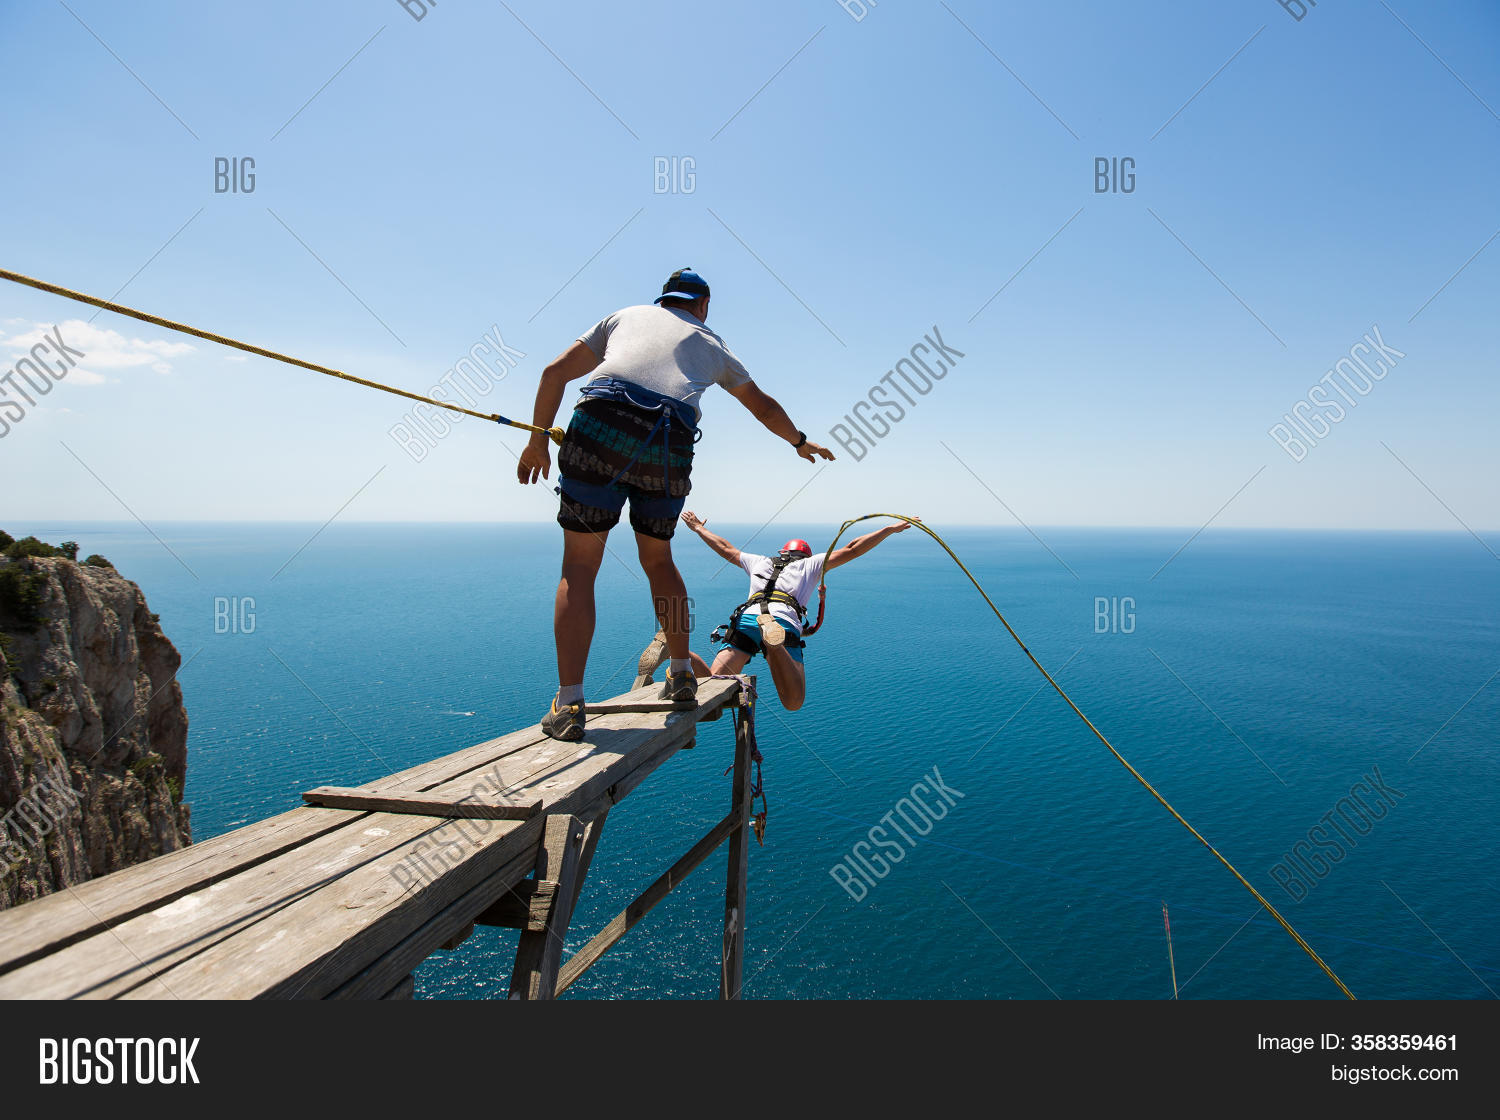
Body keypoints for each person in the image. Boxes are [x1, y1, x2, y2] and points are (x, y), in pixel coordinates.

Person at [517, 268, 834, 741]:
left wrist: (538, 441)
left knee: (580, 568)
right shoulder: (712, 345)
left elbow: (554, 373)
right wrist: (800, 441)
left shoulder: (623, 317)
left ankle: (570, 703)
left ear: (663, 300)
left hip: (598, 432)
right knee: (659, 560)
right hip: (666, 448)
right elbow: (763, 406)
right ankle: (684, 673)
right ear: (702, 306)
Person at [670, 511, 912, 711]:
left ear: (783, 553)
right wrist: (888, 530)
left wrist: (698, 528)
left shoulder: (760, 561)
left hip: (746, 619)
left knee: (713, 682)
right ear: (804, 555)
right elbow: (852, 548)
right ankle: (774, 644)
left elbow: (725, 548)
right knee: (793, 701)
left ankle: (672, 648)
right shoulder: (810, 564)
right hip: (781, 620)